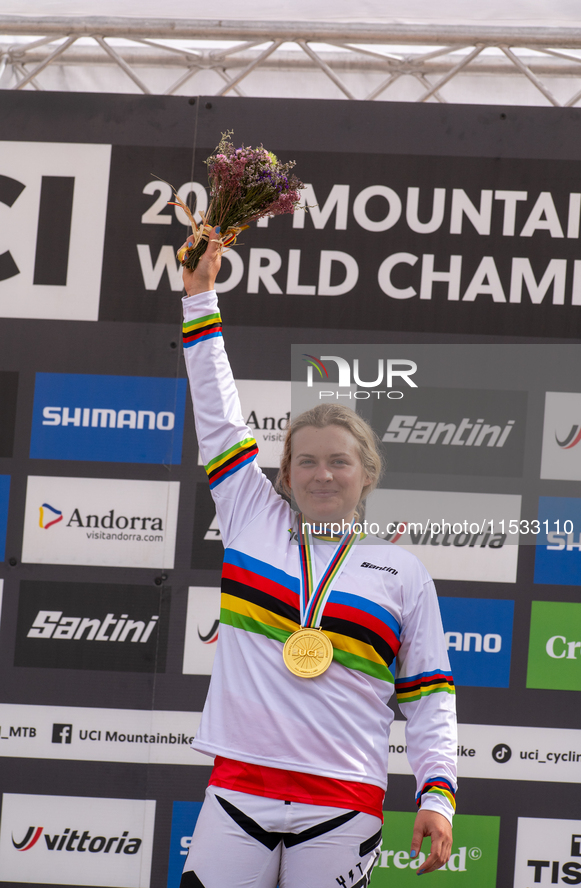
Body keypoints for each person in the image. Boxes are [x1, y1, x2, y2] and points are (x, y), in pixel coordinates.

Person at [179, 230, 457, 888]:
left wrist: (437, 797)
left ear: (367, 475)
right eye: (306, 460)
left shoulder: (402, 574)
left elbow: (428, 697)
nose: (322, 474)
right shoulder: (251, 514)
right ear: (284, 473)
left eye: (339, 461)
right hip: (237, 790)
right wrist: (199, 297)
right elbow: (218, 416)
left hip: (342, 805)